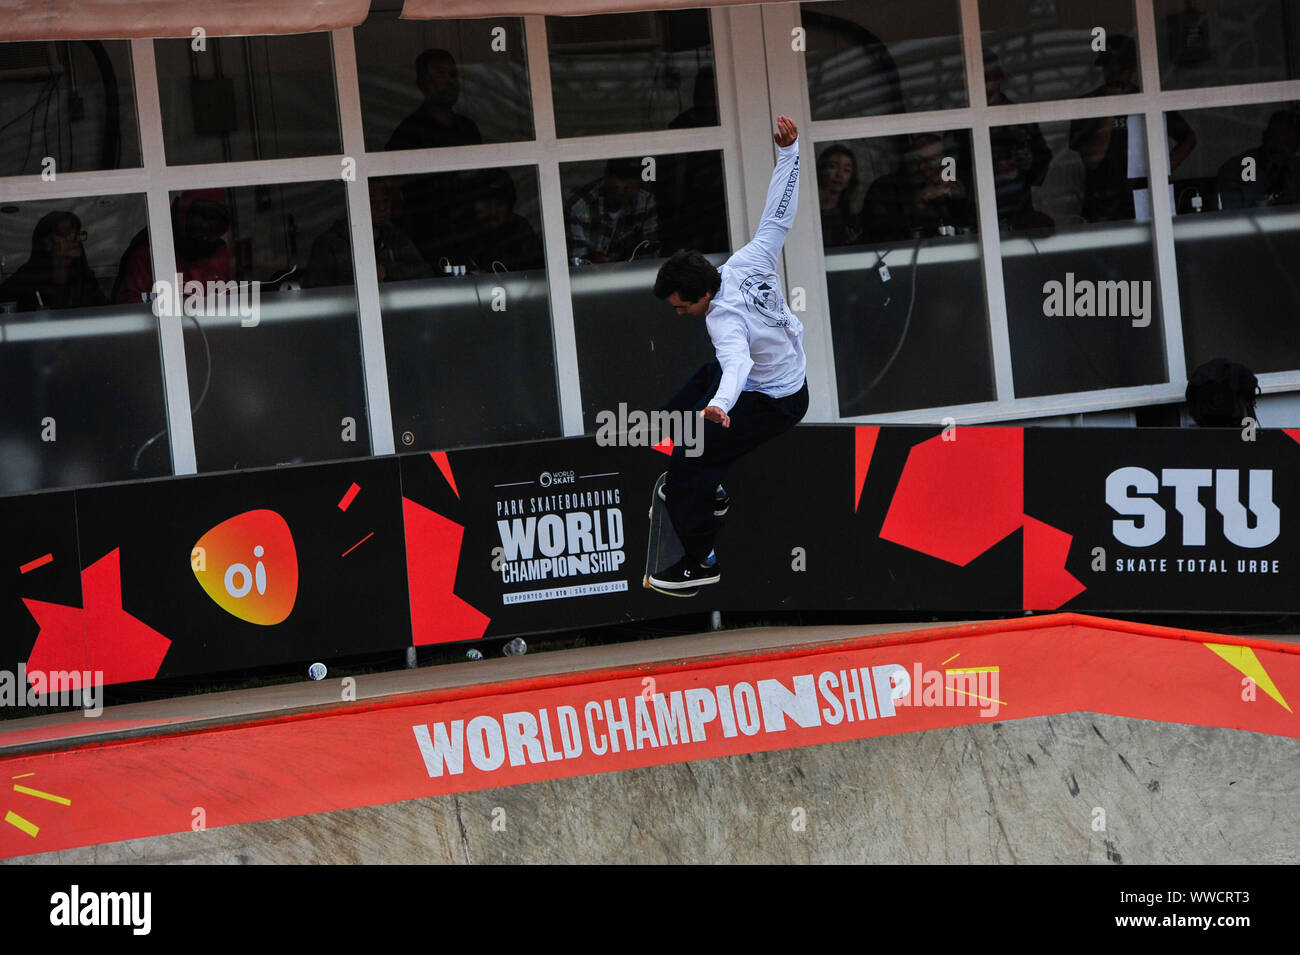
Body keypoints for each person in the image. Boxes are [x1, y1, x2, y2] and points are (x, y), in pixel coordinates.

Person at [647, 115, 809, 590]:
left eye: (681, 308)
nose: (680, 314)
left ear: (700, 296)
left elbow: (736, 363)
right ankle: (706, 482)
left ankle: (701, 558)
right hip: (760, 378)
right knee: (673, 417)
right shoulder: (748, 258)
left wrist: (719, 406)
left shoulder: (723, 320)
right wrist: (790, 153)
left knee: (687, 463)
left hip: (775, 401)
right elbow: (779, 214)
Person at [1069, 35, 1195, 222]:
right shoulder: (1088, 104)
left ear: (1133, 68)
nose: (1114, 73)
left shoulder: (1147, 100)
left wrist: (1160, 171)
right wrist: (1111, 107)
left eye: (1121, 67)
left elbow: (1189, 138)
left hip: (1146, 197)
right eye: (1109, 66)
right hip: (1102, 206)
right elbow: (1091, 160)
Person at [385, 50, 483, 270]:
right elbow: (394, 191)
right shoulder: (409, 133)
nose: (450, 81)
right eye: (440, 75)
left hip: (471, 235)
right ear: (422, 84)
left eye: (453, 74)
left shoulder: (467, 129)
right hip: (429, 241)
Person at [113, 189, 231, 304]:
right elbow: (130, 304)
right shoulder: (150, 251)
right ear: (184, 215)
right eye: (201, 215)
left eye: (213, 219)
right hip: (162, 322)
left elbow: (228, 300)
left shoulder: (218, 252)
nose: (205, 225)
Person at [306, 179, 425, 286]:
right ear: (355, 204)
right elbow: (317, 288)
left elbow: (424, 272)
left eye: (385, 201)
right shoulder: (329, 244)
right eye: (373, 203)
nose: (382, 208)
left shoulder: (396, 238)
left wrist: (386, 270)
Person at [860, 133, 973, 242]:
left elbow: (975, 229)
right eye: (916, 160)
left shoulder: (952, 187)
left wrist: (962, 201)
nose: (922, 167)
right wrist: (918, 203)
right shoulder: (884, 188)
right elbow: (877, 236)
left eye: (931, 162)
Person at [0, 211, 107, 311]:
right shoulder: (25, 279)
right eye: (69, 234)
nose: (78, 239)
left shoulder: (84, 277)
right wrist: (31, 315)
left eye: (78, 233)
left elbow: (104, 311)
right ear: (47, 243)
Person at [566, 157, 659, 262]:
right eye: (622, 179)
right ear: (607, 176)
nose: (627, 187)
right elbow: (577, 262)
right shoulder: (580, 206)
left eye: (634, 182)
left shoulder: (645, 200)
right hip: (590, 274)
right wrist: (594, 261)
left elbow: (650, 253)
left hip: (629, 273)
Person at [463, 168, 544, 272]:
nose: (493, 212)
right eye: (485, 203)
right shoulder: (463, 233)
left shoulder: (520, 228)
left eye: (499, 204)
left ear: (509, 206)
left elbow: (537, 270)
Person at [1216, 110, 1300, 210]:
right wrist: (1266, 173)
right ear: (1265, 136)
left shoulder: (1296, 168)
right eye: (1275, 138)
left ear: (1296, 147)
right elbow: (1231, 208)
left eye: (1287, 142)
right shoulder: (1238, 167)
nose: (1279, 147)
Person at [816, 143, 862, 247]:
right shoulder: (808, 207)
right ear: (821, 170)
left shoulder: (852, 216)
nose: (839, 174)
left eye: (847, 170)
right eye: (832, 167)